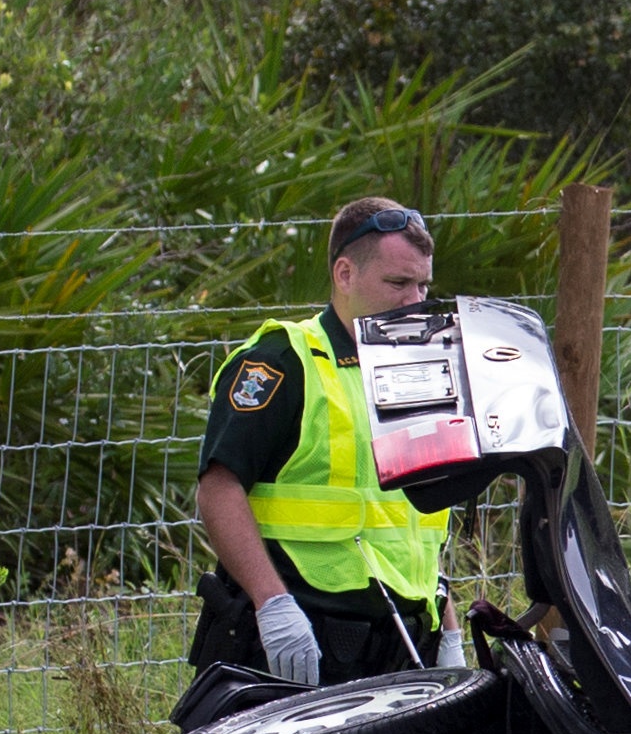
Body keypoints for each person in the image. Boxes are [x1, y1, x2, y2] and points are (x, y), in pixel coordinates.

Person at [190, 197, 464, 689]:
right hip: (301, 639)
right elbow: (218, 489)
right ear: (344, 274)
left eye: (423, 283)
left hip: (402, 646)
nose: (415, 300)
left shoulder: (417, 369)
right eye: (398, 283)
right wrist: (272, 605)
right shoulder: (282, 360)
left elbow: (415, 526)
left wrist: (449, 625)